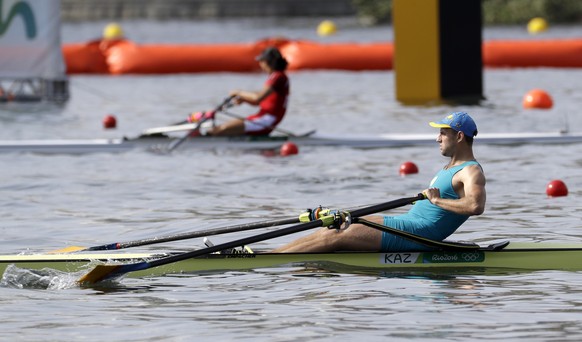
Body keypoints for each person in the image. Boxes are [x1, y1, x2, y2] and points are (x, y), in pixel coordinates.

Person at [273, 111, 486, 253]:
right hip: (407, 224)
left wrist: (437, 201)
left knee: (337, 235)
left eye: (443, 133)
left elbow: (475, 206)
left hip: (416, 234)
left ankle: (266, 260)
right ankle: (270, 254)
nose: (437, 139)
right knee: (336, 225)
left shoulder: (471, 170)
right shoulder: (450, 167)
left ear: (459, 137)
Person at [189, 46, 290, 136]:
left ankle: (199, 141)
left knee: (220, 130)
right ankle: (202, 138)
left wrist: (238, 92)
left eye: (261, 61)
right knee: (219, 129)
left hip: (265, 121)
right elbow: (259, 101)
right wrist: (244, 100)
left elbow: (257, 97)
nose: (260, 64)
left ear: (268, 61)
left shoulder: (277, 76)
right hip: (261, 118)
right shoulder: (277, 76)